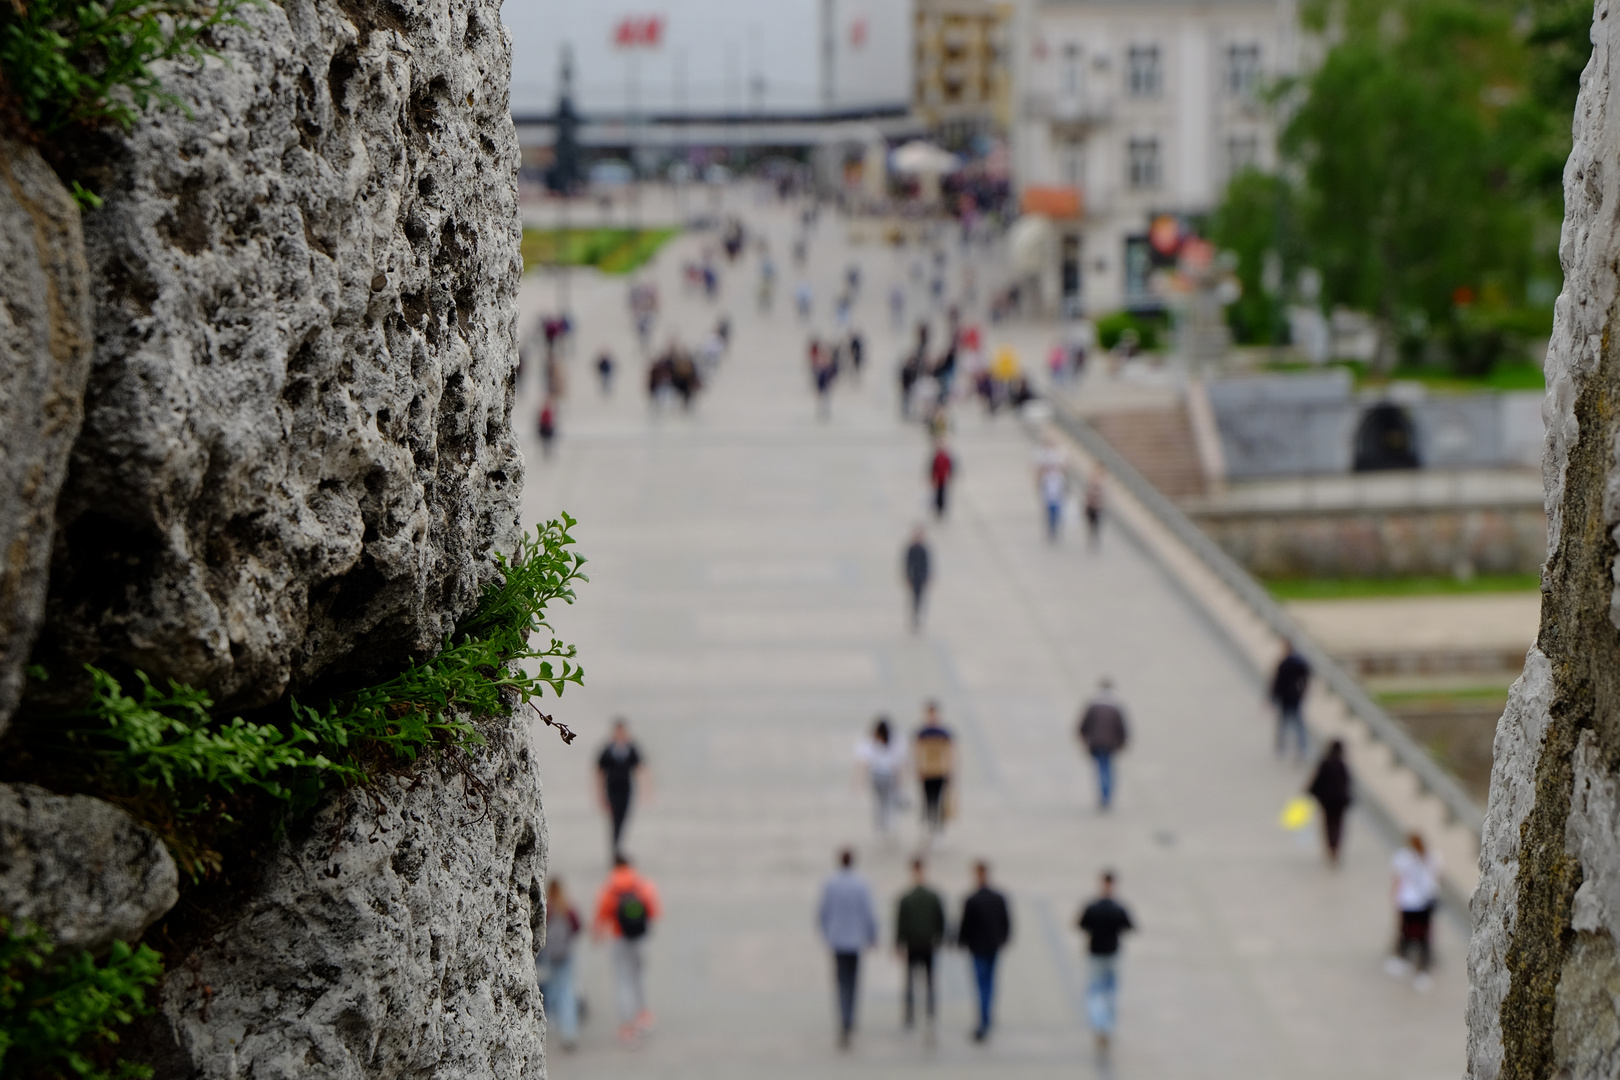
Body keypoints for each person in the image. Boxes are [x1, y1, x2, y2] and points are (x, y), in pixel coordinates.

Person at [592, 854, 662, 1045]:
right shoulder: (642, 884)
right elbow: (654, 912)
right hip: (639, 938)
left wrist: (597, 934)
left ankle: (627, 1026)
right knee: (640, 976)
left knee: (622, 981)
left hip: (618, 938)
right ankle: (644, 1015)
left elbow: (601, 914)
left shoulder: (609, 888)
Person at [818, 849, 878, 1048]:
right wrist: (872, 936)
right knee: (853, 982)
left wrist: (827, 935)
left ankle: (843, 1020)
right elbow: (868, 912)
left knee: (841, 983)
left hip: (837, 941)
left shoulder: (830, 884)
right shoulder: (861, 884)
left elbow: (822, 913)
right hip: (855, 941)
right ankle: (850, 1020)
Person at [1077, 871, 1134, 1055]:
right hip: (1111, 954)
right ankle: (1106, 1026)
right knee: (1108, 992)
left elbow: (1081, 924)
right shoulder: (1117, 908)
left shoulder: (1093, 907)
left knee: (1097, 992)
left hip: (1097, 954)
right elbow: (1129, 926)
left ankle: (1100, 1025)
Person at [957, 861, 1012, 1042]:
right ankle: (987, 1016)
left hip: (979, 948)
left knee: (982, 984)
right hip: (993, 946)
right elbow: (1006, 922)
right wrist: (1004, 939)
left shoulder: (972, 899)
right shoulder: (998, 898)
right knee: (989, 982)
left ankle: (983, 1021)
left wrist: (961, 942)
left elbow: (965, 926)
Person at [894, 858, 946, 1031]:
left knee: (913, 980)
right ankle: (928, 1011)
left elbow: (900, 924)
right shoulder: (930, 897)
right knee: (927, 979)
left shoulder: (908, 898)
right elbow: (940, 921)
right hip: (926, 943)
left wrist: (899, 943)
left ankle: (912, 1013)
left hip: (914, 944)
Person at [1388, 834, 1441, 991]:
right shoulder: (1433, 856)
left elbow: (1398, 880)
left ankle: (1404, 957)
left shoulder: (1403, 858)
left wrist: (1393, 897)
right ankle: (1423, 965)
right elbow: (1438, 877)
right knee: (1424, 933)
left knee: (1406, 931)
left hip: (1408, 901)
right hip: (1426, 901)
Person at [538, 877, 582, 1050]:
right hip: (566, 955)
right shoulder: (567, 908)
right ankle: (569, 1030)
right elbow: (577, 927)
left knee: (553, 987)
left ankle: (553, 1020)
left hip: (550, 956)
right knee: (567, 991)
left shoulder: (546, 909)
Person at [1077, 679, 1129, 810]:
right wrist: (1122, 742)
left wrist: (1085, 740)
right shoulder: (1115, 708)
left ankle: (1103, 796)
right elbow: (1122, 728)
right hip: (1111, 744)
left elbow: (1082, 727)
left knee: (1101, 769)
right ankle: (1107, 796)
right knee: (1108, 769)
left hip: (1096, 743)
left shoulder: (1093, 707)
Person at [597, 719, 645, 857]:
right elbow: (599, 772)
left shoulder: (630, 749)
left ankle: (618, 847)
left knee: (623, 818)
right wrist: (600, 794)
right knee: (614, 819)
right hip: (612, 790)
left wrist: (645, 790)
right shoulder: (607, 750)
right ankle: (615, 849)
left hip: (626, 790)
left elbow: (640, 768)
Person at [855, 717, 905, 835]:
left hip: (881, 777)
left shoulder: (874, 743)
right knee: (884, 803)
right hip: (883, 777)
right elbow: (897, 764)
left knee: (882, 803)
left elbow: (865, 763)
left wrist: (859, 782)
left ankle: (884, 827)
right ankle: (885, 827)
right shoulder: (887, 743)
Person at [1307, 740, 1354, 864]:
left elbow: (1317, 781)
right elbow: (1348, 783)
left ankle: (1330, 846)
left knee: (1328, 824)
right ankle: (1336, 846)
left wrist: (1309, 792)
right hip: (1340, 801)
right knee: (1338, 824)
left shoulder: (1325, 763)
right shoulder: (1343, 765)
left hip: (1327, 800)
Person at [914, 702, 956, 838]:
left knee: (939, 801)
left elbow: (950, 752)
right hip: (927, 771)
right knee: (928, 800)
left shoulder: (944, 733)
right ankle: (928, 827)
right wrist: (919, 768)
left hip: (940, 771)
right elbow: (917, 751)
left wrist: (950, 769)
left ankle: (939, 830)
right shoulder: (922, 732)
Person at [1271, 641, 1312, 761]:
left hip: (1289, 698)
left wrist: (1273, 697)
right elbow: (1305, 679)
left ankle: (1284, 747)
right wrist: (1303, 692)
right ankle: (1299, 748)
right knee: (1295, 723)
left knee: (1286, 723)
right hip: (1293, 697)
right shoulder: (1296, 663)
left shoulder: (1285, 663)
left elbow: (1277, 682)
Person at [1034, 441, 1068, 541]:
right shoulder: (1046, 477)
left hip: (1057, 498)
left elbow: (1064, 485)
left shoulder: (1060, 477)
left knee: (1056, 514)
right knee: (1049, 515)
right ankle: (1051, 530)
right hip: (1048, 497)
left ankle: (1055, 530)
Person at [903, 527, 931, 632]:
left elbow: (927, 564)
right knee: (913, 597)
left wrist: (928, 576)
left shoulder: (924, 549)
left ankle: (918, 615)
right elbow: (907, 563)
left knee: (920, 597)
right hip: (914, 575)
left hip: (921, 576)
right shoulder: (911, 549)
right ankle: (913, 615)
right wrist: (907, 575)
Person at [929, 442, 955, 520]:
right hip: (940, 479)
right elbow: (933, 469)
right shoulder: (940, 458)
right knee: (940, 495)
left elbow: (949, 468)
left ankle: (940, 509)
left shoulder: (942, 458)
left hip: (942, 479)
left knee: (941, 495)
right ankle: (939, 509)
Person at [1083, 467, 1106, 549]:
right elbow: (1087, 494)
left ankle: (1094, 538)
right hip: (1091, 506)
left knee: (1096, 524)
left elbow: (1105, 496)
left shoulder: (1103, 483)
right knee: (1091, 523)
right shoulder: (1091, 482)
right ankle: (1091, 537)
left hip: (1098, 507)